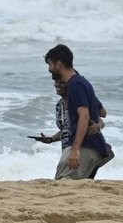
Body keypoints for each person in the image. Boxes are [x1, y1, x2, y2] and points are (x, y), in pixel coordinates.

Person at [44, 44, 112, 180]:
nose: (49, 69)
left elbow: (84, 116)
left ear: (59, 64)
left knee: (62, 182)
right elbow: (102, 112)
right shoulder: (81, 83)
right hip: (89, 146)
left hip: (85, 146)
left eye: (50, 65)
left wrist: (75, 150)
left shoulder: (74, 85)